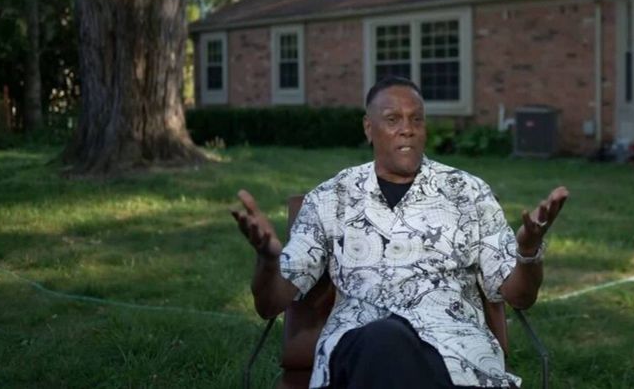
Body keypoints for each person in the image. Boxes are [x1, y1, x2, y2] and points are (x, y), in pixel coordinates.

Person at [231, 76, 568, 388]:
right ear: (369, 127)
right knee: (383, 341)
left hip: (454, 355)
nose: (407, 129)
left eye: (416, 119)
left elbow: (520, 296)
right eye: (393, 119)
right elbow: (270, 304)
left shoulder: (469, 193)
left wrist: (528, 253)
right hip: (357, 349)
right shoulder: (332, 198)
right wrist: (268, 262)